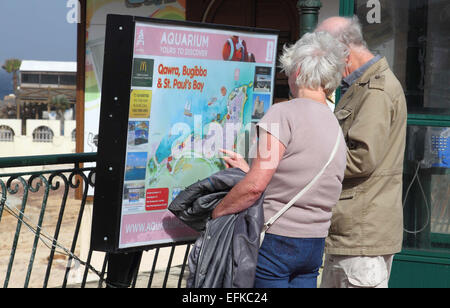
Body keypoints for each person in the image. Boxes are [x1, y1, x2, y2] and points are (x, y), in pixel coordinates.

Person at [212, 31, 348, 288]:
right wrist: (246, 167)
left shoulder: (283, 113)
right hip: (314, 243)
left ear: (296, 72)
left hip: (277, 241)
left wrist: (218, 213)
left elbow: (254, 188)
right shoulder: (335, 123)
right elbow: (301, 171)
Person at [315, 16, 407, 288]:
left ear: (343, 49)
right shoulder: (360, 85)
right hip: (353, 231)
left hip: (361, 235)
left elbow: (361, 159)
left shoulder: (376, 89)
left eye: (324, 53)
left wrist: (310, 164)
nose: (322, 62)